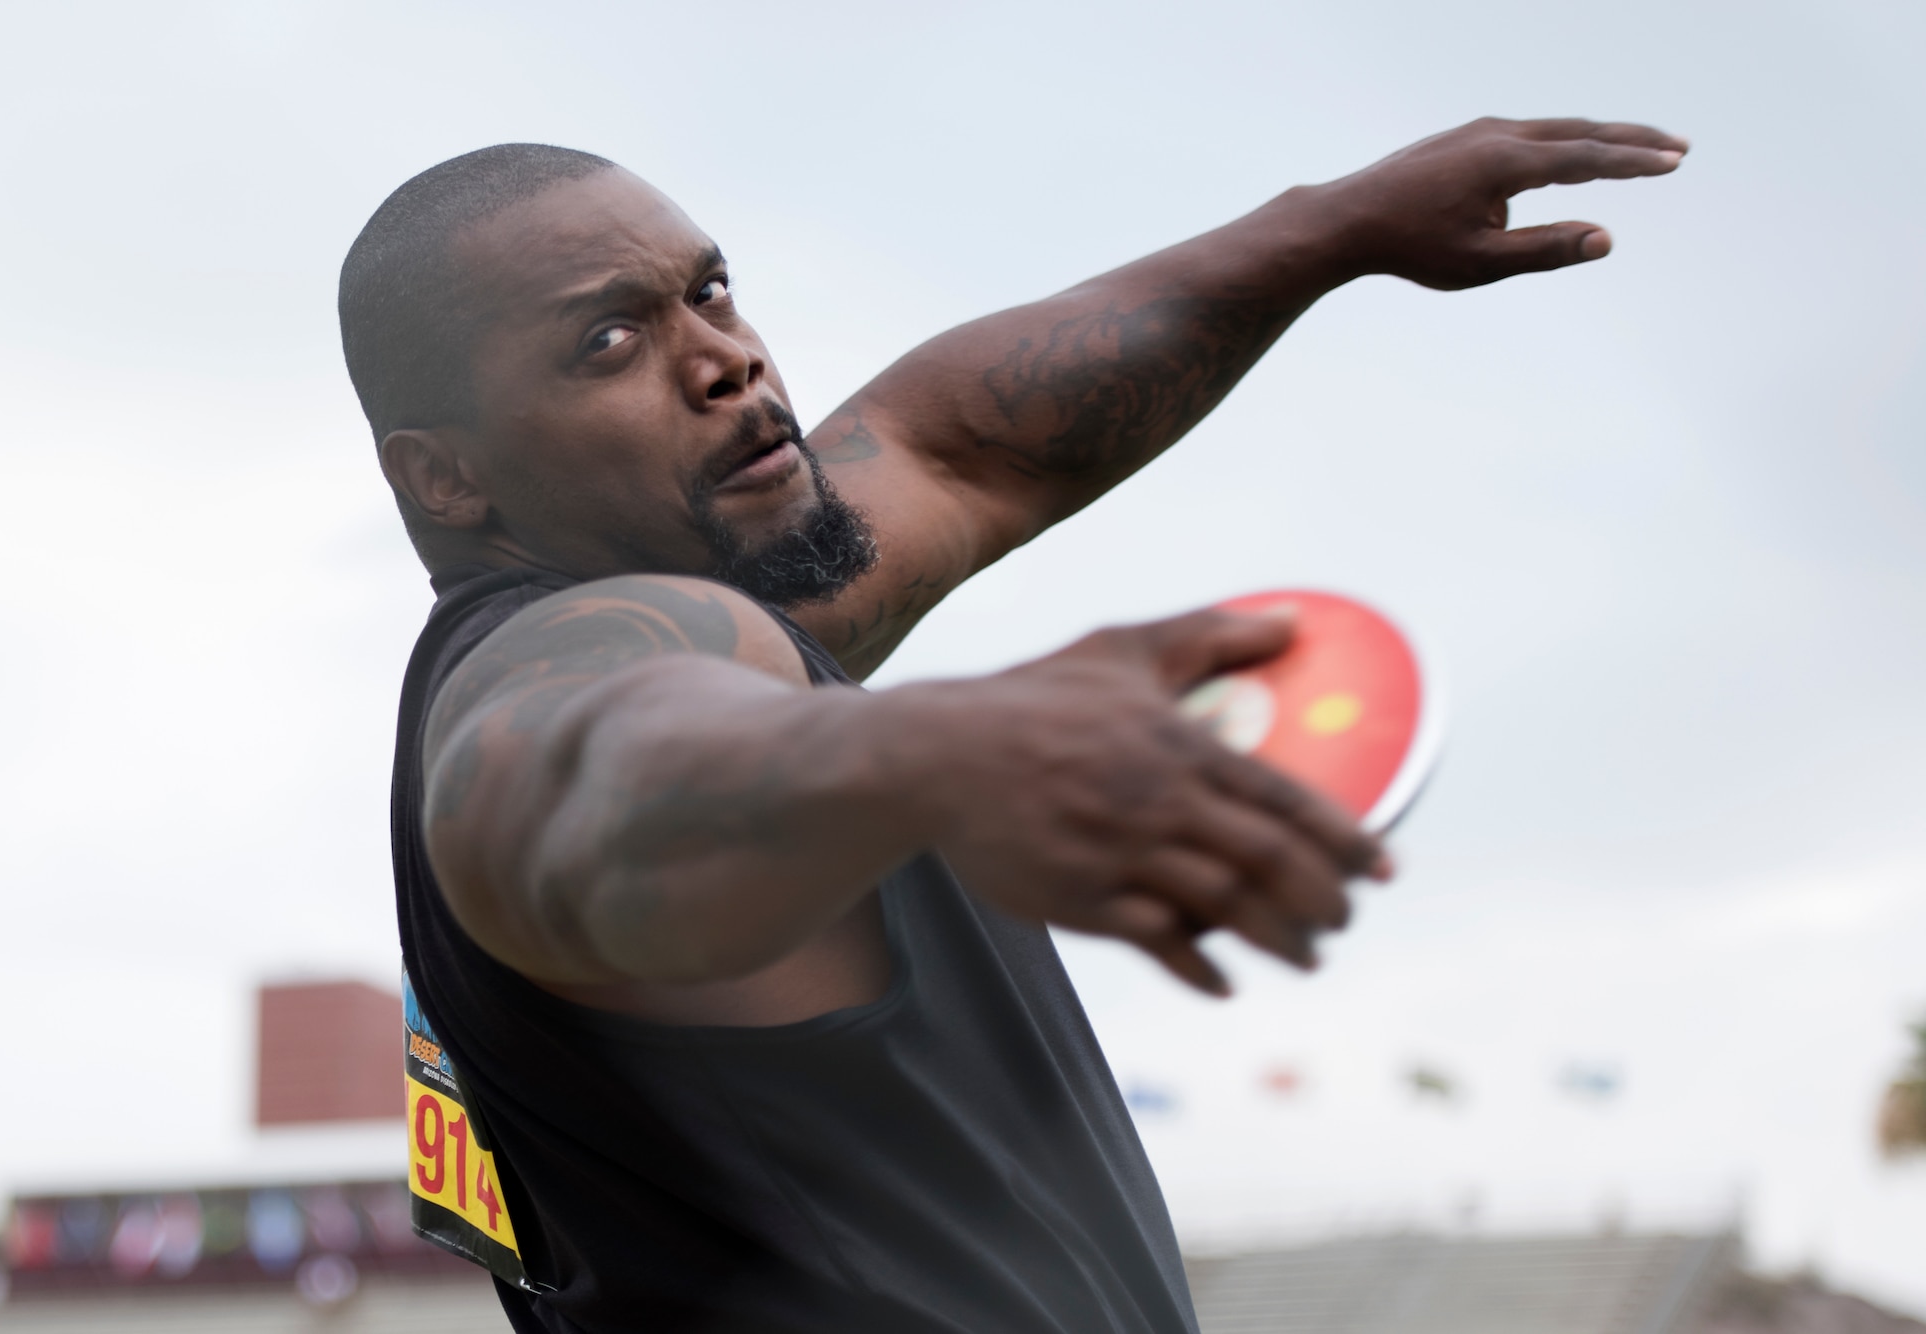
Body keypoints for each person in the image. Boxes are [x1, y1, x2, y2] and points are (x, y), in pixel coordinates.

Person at [341, 117, 1685, 1333]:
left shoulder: (720, 598)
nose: (724, 357)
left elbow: (954, 446)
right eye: (608, 342)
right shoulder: (545, 667)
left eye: (709, 290)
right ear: (444, 474)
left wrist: (1329, 226)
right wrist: (927, 751)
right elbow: (587, 783)